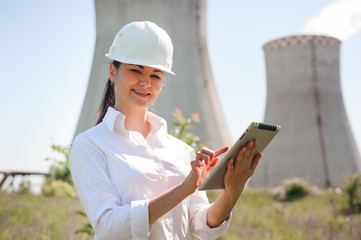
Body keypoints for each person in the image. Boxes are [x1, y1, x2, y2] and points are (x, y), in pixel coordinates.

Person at [69, 21, 262, 240]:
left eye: (155, 75)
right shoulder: (90, 145)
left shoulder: (180, 150)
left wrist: (232, 192)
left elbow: (201, 226)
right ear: (113, 71)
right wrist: (184, 189)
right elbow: (110, 226)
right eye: (135, 70)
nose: (145, 83)